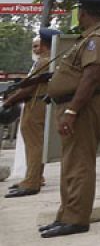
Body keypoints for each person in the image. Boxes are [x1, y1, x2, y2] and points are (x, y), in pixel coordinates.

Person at [39, 0, 100, 238]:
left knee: (80, 164)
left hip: (85, 107)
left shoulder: (99, 39)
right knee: (72, 163)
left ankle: (76, 218)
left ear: (84, 12)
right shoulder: (90, 37)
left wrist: (73, 110)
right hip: (80, 105)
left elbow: (91, 76)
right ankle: (66, 214)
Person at [4, 29, 56, 199]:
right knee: (36, 143)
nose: (36, 47)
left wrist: (10, 100)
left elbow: (29, 87)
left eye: (38, 43)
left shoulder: (44, 61)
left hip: (35, 104)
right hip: (39, 103)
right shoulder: (49, 59)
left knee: (34, 144)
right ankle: (34, 177)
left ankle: (31, 181)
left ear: (45, 44)